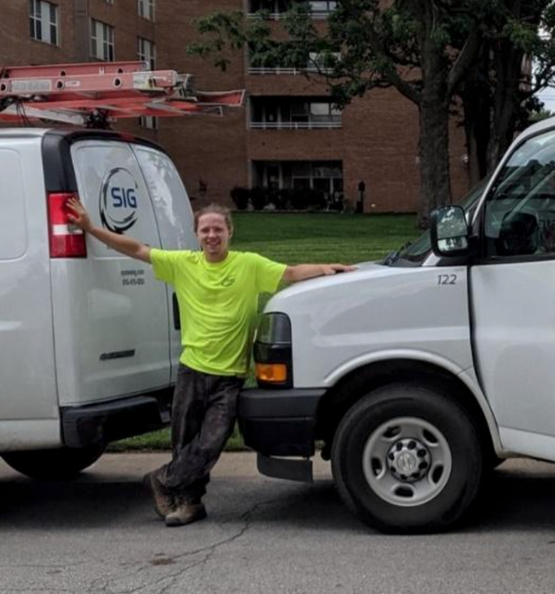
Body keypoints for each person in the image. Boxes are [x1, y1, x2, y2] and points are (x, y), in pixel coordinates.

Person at [66, 200, 354, 527]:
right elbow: (137, 250)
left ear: (230, 232)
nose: (212, 235)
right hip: (192, 370)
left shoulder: (248, 265)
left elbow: (290, 273)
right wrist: (90, 228)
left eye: (218, 229)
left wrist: (331, 268)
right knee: (185, 443)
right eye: (206, 230)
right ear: (197, 235)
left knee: (211, 443)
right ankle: (189, 504)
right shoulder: (183, 264)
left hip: (229, 377)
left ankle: (163, 479)